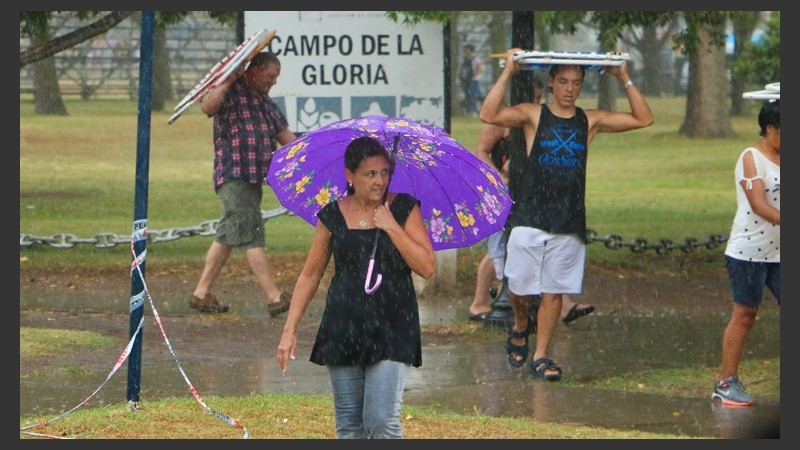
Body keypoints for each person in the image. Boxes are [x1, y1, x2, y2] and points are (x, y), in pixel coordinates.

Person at [479, 48, 653, 380]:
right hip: (530, 215)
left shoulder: (590, 120)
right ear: (552, 82)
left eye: (576, 82)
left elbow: (643, 119)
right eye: (563, 81)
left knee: (554, 290)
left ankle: (542, 355)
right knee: (519, 285)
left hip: (569, 218)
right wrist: (508, 73)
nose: (569, 89)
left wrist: (623, 76)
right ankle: (519, 323)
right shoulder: (533, 115)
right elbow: (489, 115)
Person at [276, 136, 436, 438]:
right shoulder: (332, 215)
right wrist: (290, 328)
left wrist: (391, 227)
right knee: (349, 426)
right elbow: (310, 275)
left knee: (380, 420)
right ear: (350, 176)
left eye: (385, 172)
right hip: (343, 325)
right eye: (370, 174)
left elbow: (426, 266)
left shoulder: (403, 208)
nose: (380, 181)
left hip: (392, 325)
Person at [468, 75, 595, 324]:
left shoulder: (541, 120)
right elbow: (481, 149)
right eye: (531, 98)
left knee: (542, 243)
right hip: (501, 189)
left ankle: (563, 304)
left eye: (538, 97)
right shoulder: (506, 120)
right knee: (499, 246)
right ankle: (480, 302)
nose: (536, 102)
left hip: (529, 190)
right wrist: (498, 177)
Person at [188, 52, 297, 315]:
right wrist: (227, 81)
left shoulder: (265, 103)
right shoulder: (231, 92)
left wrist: (309, 156)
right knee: (251, 233)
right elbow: (207, 106)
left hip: (253, 178)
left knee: (228, 234)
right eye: (271, 76)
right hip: (233, 174)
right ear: (254, 70)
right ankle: (274, 298)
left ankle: (201, 293)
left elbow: (287, 139)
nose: (273, 82)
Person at [712, 99, 780, 407]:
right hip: (748, 252)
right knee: (745, 313)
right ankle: (726, 382)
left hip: (780, 252)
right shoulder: (751, 158)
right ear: (770, 129)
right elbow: (759, 204)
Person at [460, 44, 485, 117]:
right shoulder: (464, 59)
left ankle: (473, 110)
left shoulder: (476, 59)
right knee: (467, 95)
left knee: (473, 95)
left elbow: (479, 68)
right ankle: (468, 110)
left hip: (474, 79)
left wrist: (475, 74)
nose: (465, 51)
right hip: (466, 79)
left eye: (467, 49)